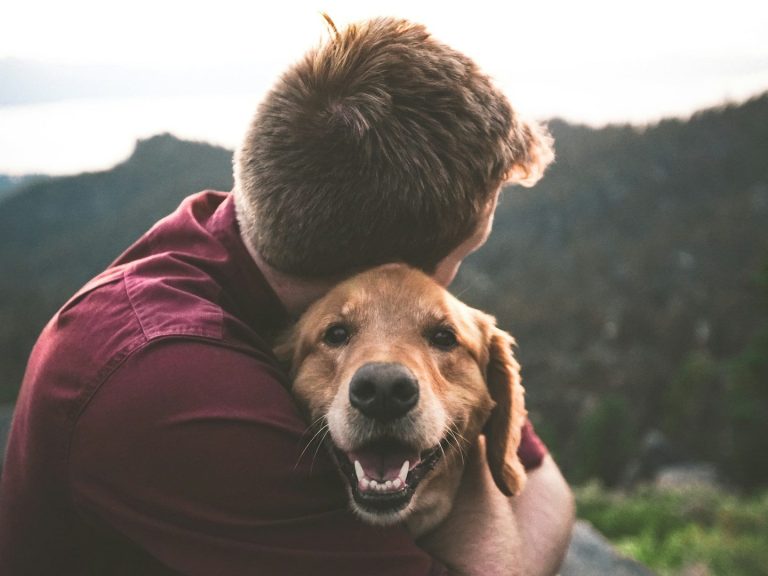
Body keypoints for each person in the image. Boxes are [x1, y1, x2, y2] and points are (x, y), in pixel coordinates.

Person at [0, 16, 574, 576]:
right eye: (462, 256)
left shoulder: (242, 235)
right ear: (389, 269)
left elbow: (544, 482)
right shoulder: (174, 388)